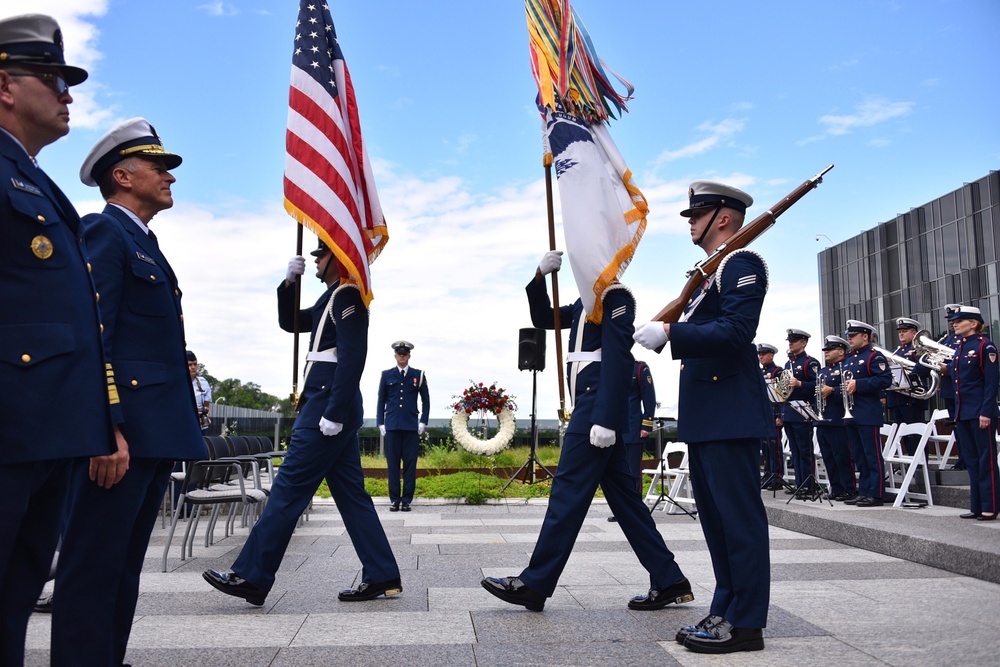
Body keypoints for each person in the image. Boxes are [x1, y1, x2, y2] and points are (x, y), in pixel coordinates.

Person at [50, 117, 209, 666]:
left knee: (121, 566)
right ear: (122, 175)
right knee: (93, 567)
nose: (169, 177)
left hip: (153, 432)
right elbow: (96, 336)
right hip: (120, 438)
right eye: (157, 167)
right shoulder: (104, 232)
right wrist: (105, 426)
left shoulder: (145, 243)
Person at [481, 251, 693, 614]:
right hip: (589, 408)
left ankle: (535, 583)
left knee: (567, 494)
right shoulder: (586, 302)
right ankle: (670, 580)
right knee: (627, 504)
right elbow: (543, 318)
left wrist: (607, 418)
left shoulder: (616, 296)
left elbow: (618, 358)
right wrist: (538, 278)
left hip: (596, 409)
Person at [0, 15, 117, 665]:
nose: (67, 93)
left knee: (16, 595)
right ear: (5, 85)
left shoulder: (37, 181)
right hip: (11, 426)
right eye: (51, 77)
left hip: (45, 430)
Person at [204, 239, 401, 605]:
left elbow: (353, 356)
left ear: (337, 258)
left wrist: (335, 412)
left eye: (321, 255)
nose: (315, 260)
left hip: (326, 409)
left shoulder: (347, 296)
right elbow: (290, 323)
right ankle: (382, 573)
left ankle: (252, 575)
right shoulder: (330, 298)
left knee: (287, 490)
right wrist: (288, 285)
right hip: (324, 405)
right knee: (352, 497)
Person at [633, 181, 771, 654]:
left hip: (729, 414)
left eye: (698, 214)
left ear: (724, 218)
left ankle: (746, 622)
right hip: (709, 416)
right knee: (716, 523)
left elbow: (736, 331)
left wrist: (673, 331)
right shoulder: (710, 274)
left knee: (739, 522)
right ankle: (726, 608)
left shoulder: (742, 265)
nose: (690, 222)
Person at [946, 306, 999, 521]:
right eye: (955, 321)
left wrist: (986, 410)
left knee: (985, 459)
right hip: (963, 412)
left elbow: (991, 382)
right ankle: (976, 505)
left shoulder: (985, 346)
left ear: (974, 323)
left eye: (960, 321)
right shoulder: (960, 347)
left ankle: (990, 506)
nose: (954, 324)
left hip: (980, 412)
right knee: (972, 460)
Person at [841, 320, 892, 507]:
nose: (849, 338)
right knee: (859, 456)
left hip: (867, 413)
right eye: (849, 335)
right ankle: (863, 491)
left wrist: (859, 384)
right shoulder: (849, 359)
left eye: (853, 335)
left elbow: (885, 379)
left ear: (865, 336)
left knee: (872, 455)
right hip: (852, 413)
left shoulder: (874, 357)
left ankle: (876, 493)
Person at [376, 340, 430, 511]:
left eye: (404, 354)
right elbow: (381, 400)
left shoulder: (418, 375)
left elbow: (426, 401)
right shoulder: (387, 375)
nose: (402, 356)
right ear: (395, 355)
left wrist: (423, 422)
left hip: (410, 427)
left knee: (410, 464)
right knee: (392, 465)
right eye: (399, 353)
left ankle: (406, 500)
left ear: (409, 356)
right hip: (391, 426)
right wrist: (380, 423)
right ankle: (394, 499)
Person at [609, 358, 656, 521]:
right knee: (617, 473)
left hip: (633, 428)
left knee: (633, 472)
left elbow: (649, 398)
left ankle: (635, 511)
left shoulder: (639, 368)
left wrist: (646, 425)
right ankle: (621, 510)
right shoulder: (611, 365)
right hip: (613, 429)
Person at [815, 335, 857, 501]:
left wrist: (832, 390)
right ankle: (836, 488)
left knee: (842, 457)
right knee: (829, 457)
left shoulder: (845, 368)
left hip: (838, 419)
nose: (826, 352)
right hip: (823, 419)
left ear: (841, 351)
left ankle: (849, 489)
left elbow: (848, 390)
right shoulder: (823, 372)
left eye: (830, 350)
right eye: (825, 350)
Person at [782, 329, 820, 497]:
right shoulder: (787, 364)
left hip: (802, 412)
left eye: (794, 340)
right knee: (794, 450)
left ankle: (808, 483)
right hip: (789, 411)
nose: (790, 343)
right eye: (790, 341)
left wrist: (800, 384)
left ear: (803, 343)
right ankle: (799, 482)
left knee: (804, 450)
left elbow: (817, 386)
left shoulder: (810, 363)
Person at [886, 317, 928, 455]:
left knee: (916, 435)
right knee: (903, 436)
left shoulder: (920, 350)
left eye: (905, 331)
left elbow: (925, 368)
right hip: (897, 398)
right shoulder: (896, 353)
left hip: (912, 398)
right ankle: (911, 464)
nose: (901, 334)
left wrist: (909, 377)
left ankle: (921, 467)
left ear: (914, 333)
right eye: (900, 332)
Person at [757, 343, 785, 490]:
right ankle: (768, 473)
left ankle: (777, 475)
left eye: (764, 354)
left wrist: (780, 415)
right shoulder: (759, 372)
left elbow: (782, 394)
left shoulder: (778, 372)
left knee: (775, 447)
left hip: (774, 414)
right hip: (762, 416)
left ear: (772, 355)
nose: (761, 356)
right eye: (759, 354)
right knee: (765, 447)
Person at [188, 350, 213, 433]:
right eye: (190, 365)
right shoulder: (178, 383)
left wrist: (205, 415)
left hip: (200, 426)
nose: (193, 367)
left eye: (195, 364)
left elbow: (207, 405)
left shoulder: (203, 382)